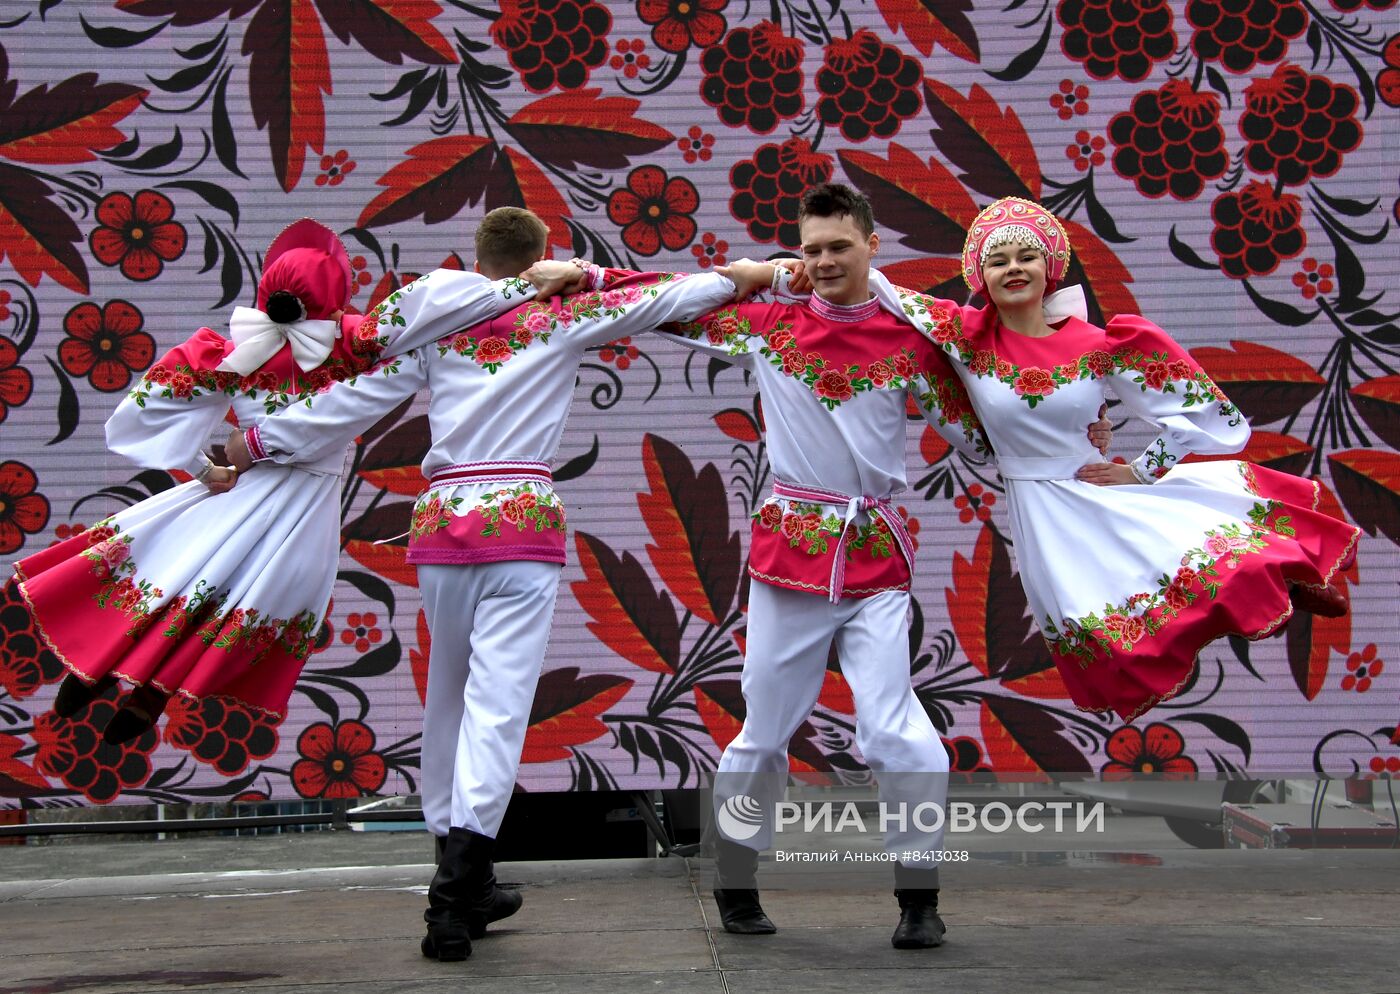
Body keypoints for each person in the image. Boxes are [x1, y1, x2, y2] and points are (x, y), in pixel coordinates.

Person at [223, 207, 781, 962]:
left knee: (448, 704)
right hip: (520, 523)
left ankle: (462, 881)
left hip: (444, 524)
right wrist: (740, 276)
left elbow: (349, 405)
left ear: (475, 258)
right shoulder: (560, 315)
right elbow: (664, 298)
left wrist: (254, 441)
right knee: (497, 711)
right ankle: (456, 894)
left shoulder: (436, 324)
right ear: (541, 257)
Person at [656, 183, 1112, 950]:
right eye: (812, 249)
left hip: (875, 561)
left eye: (840, 246)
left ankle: (919, 896)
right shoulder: (770, 322)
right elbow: (667, 309)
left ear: (872, 246)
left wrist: (1079, 449)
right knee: (764, 730)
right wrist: (758, 274)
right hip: (790, 557)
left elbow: (979, 434)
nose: (826, 261)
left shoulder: (911, 338)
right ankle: (737, 875)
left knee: (895, 731)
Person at [10, 218, 581, 744]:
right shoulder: (353, 346)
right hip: (305, 504)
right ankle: (150, 698)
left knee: (180, 578)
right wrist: (564, 281)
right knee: (239, 600)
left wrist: (203, 465)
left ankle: (98, 669)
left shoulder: (231, 351)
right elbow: (429, 329)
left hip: (240, 488)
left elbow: (154, 402)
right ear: (334, 298)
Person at [873, 196, 1360, 721]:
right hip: (1038, 511)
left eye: (1027, 256)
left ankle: (1278, 580)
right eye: (999, 260)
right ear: (981, 277)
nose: (1014, 268)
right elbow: (878, 289)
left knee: (1188, 562)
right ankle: (1262, 597)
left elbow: (1191, 413)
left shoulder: (1099, 345)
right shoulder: (964, 337)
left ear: (1051, 269)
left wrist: (1140, 469)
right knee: (1089, 622)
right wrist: (786, 275)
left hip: (1093, 489)